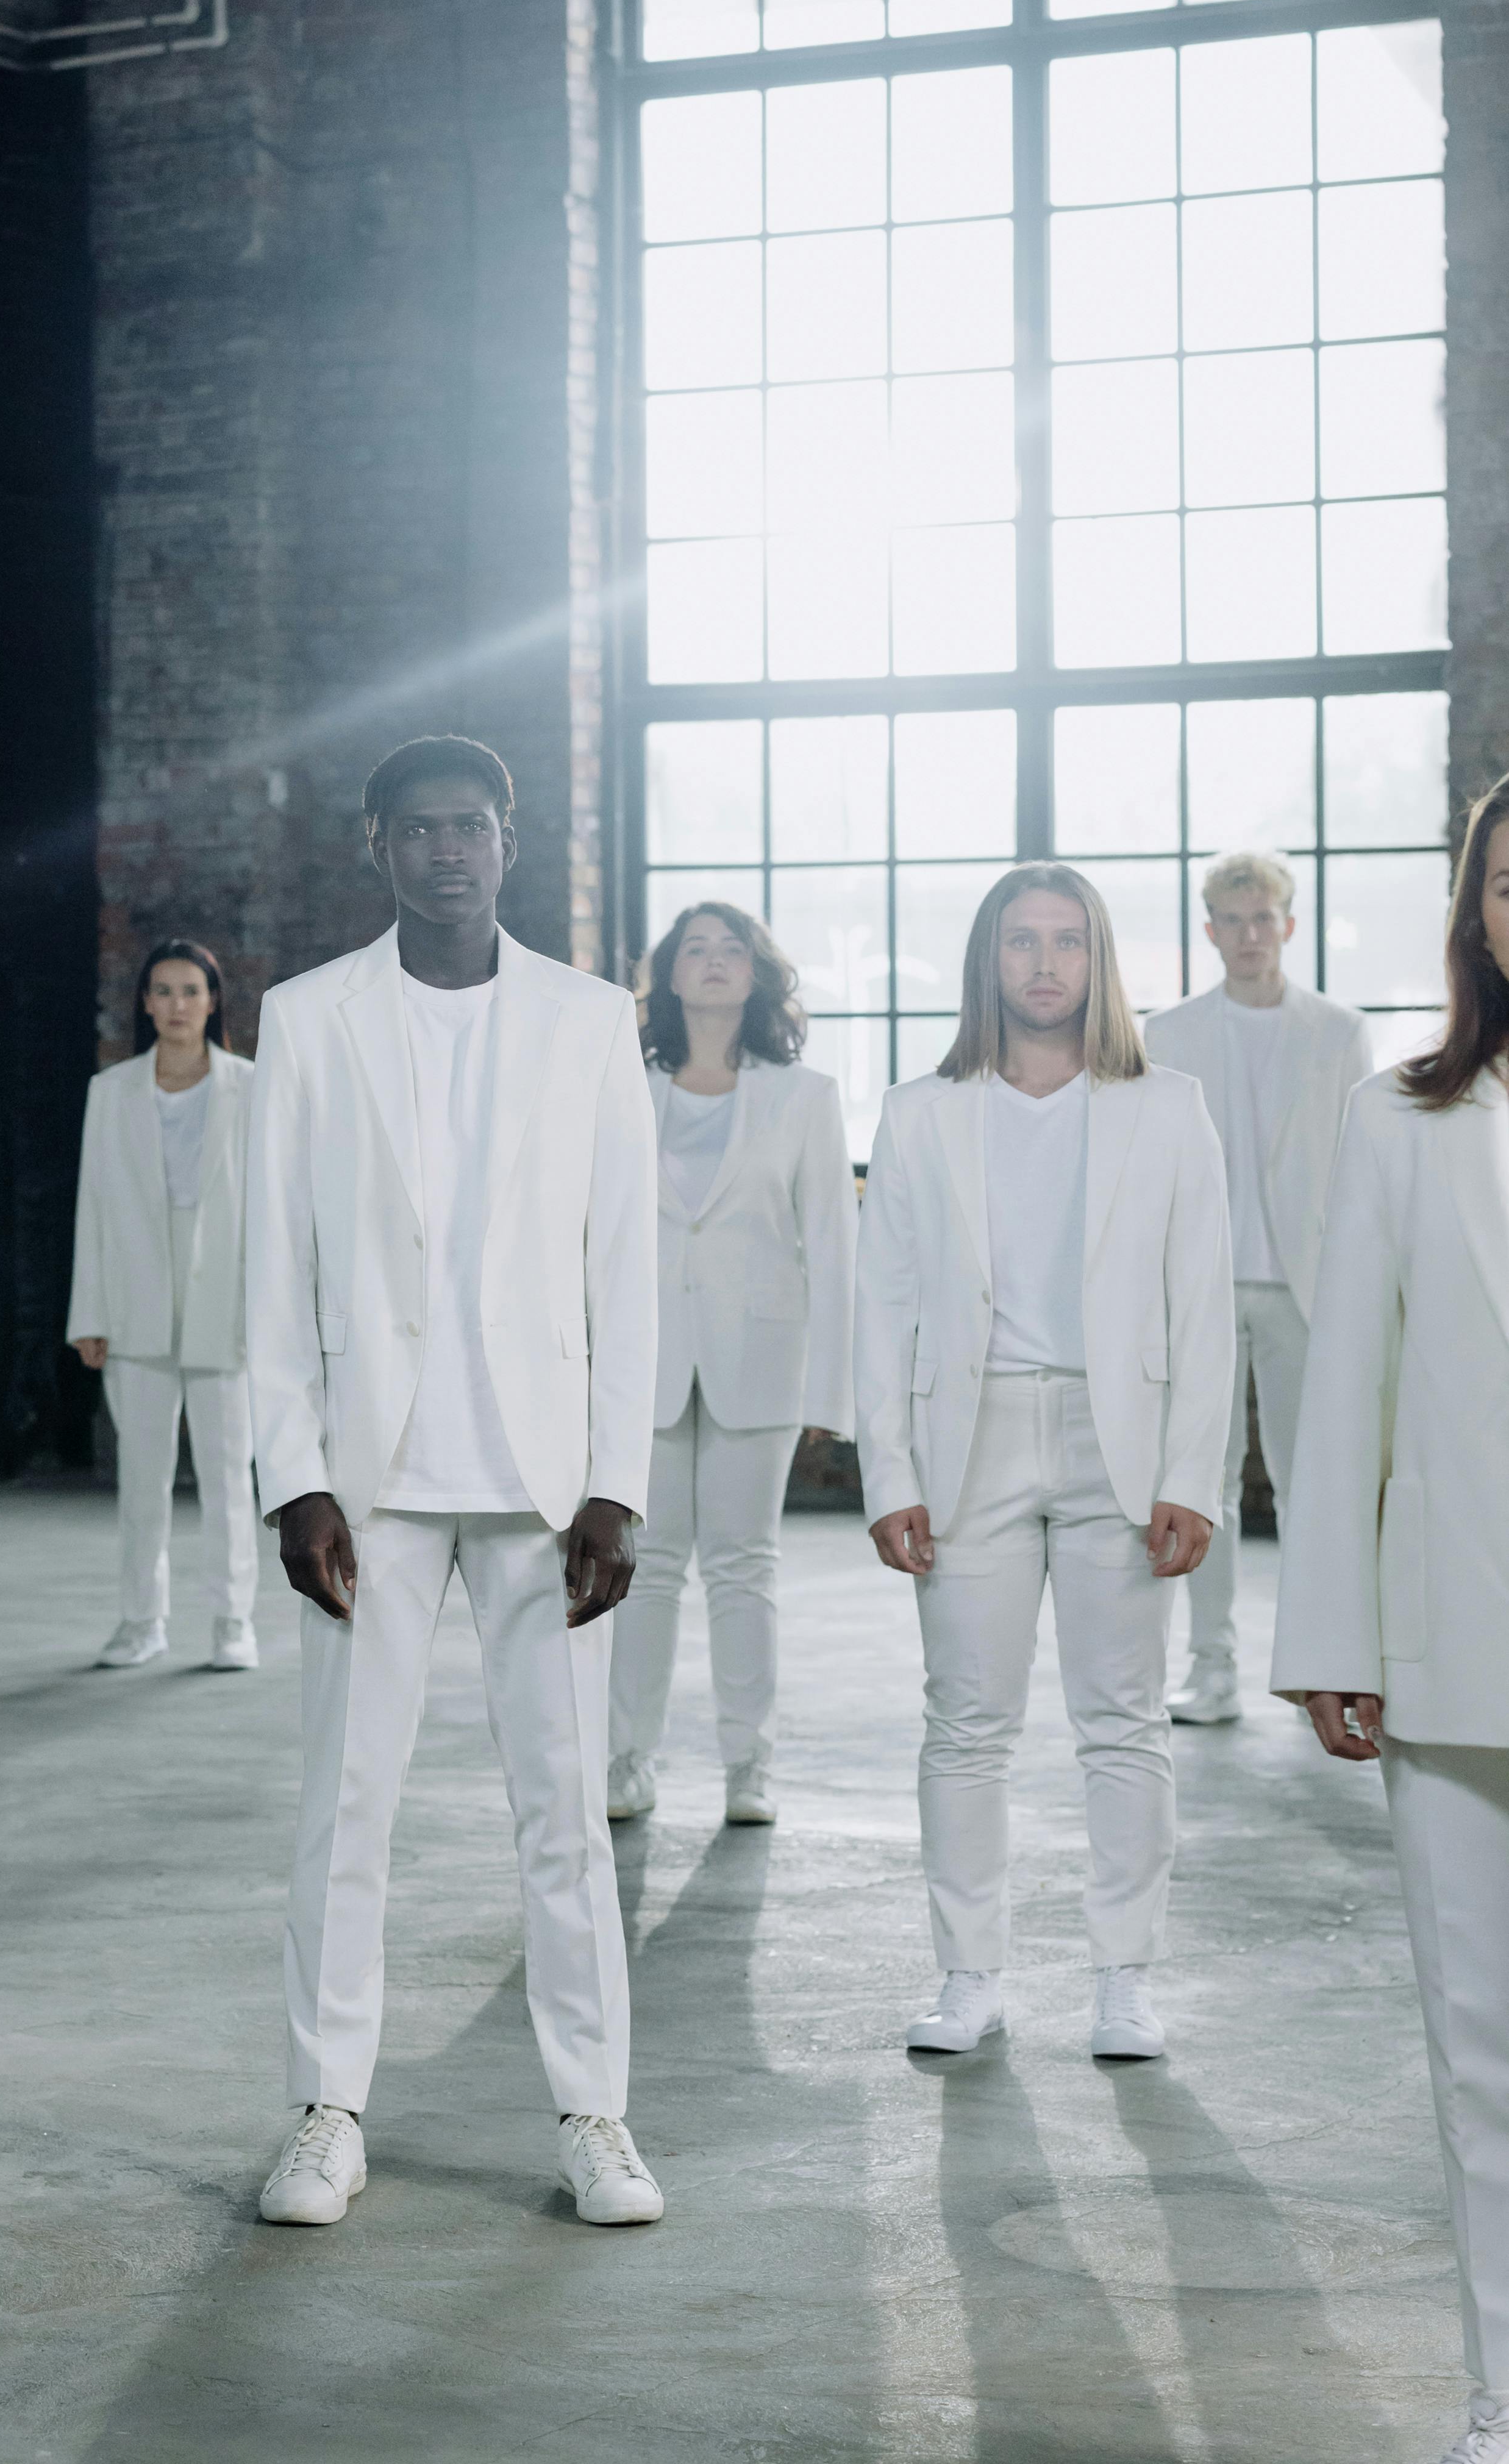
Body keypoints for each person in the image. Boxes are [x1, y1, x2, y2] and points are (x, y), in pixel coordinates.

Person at [246, 735, 662, 2232]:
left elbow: (625, 1257)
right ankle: (325, 2110)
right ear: (378, 846)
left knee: (561, 1812)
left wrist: (616, 1480)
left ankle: (594, 2115)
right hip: (372, 1482)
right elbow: (273, 1269)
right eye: (416, 829)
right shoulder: (307, 1022)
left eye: (470, 828)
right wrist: (291, 1476)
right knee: (344, 1808)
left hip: (545, 1484)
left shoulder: (586, 1019)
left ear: (507, 842)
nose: (444, 852)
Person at [855, 863, 1232, 2063]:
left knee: (1121, 1723)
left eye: (1065, 941)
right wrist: (887, 1475)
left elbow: (1201, 1302)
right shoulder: (919, 1111)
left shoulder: (1164, 1104)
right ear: (987, 960)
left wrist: (1191, 1473)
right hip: (963, 1445)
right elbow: (883, 1305)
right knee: (963, 1724)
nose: (1041, 964)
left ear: (1096, 959)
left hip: (1114, 1441)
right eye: (1019, 941)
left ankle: (1121, 1978)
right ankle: (967, 1973)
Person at [1274, 772, 1509, 2464]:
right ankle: (1505, 2392)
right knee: (1482, 2050)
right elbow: (1339, 1391)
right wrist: (1329, 1642)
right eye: (1508, 882)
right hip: (1455, 1647)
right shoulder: (1398, 1119)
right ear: (1471, 913)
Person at [607, 898, 855, 1828]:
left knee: (747, 1567)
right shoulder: (619, 1087)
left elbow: (834, 1245)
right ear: (668, 975)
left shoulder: (805, 1098)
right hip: (644, 1362)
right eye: (695, 950)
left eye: (731, 951)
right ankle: (625, 1759)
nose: (713, 963)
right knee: (647, 1565)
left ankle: (750, 1769)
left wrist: (835, 1387)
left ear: (757, 975)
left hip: (762, 1357)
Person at [1146, 851, 1372, 1723]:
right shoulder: (1167, 1033)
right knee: (1203, 1489)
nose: (1248, 935)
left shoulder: (1339, 1029)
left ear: (1287, 923)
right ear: (1209, 930)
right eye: (1231, 920)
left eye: (1262, 918)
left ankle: (1322, 1664)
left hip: (1305, 1286)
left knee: (1310, 1483)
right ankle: (1212, 1670)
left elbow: (1359, 1165)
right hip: (1199, 1287)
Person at [68, 937, 260, 1670]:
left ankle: (231, 1620)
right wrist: (89, 1314)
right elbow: (92, 1205)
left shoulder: (250, 1084)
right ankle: (140, 1619)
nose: (177, 1004)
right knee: (140, 1478)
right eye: (163, 990)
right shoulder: (110, 1089)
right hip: (136, 1292)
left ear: (212, 1000)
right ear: (145, 1001)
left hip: (226, 1293)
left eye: (191, 990)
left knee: (226, 1474)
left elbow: (273, 1208)